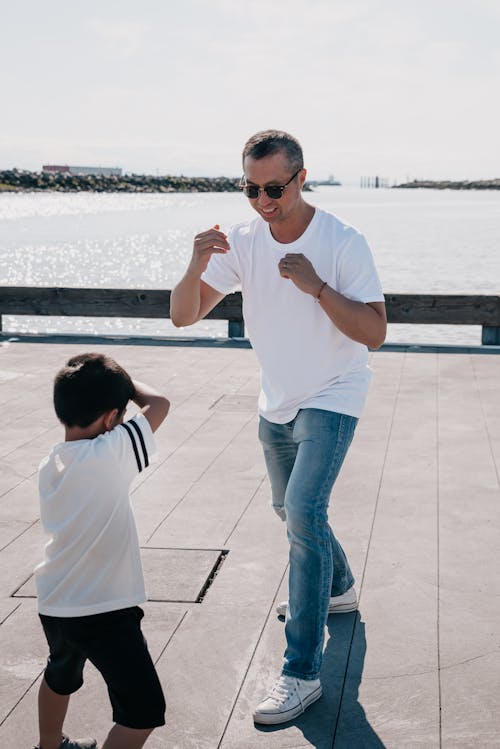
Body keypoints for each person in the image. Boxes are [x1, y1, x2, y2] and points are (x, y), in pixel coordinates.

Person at [170, 129, 386, 725]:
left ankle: (300, 673)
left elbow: (374, 332)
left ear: (301, 176)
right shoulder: (241, 241)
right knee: (290, 511)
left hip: (334, 393)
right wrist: (195, 263)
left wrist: (316, 287)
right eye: (251, 189)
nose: (264, 201)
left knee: (305, 514)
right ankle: (337, 588)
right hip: (277, 400)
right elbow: (183, 316)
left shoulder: (343, 241)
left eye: (274, 188)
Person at [33, 353, 170, 749]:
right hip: (105, 609)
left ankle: (49, 745)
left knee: (60, 675)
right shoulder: (111, 452)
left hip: (56, 600)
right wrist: (123, 378)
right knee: (143, 710)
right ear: (112, 418)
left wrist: (112, 387)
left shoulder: (51, 462)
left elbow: (144, 408)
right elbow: (159, 403)